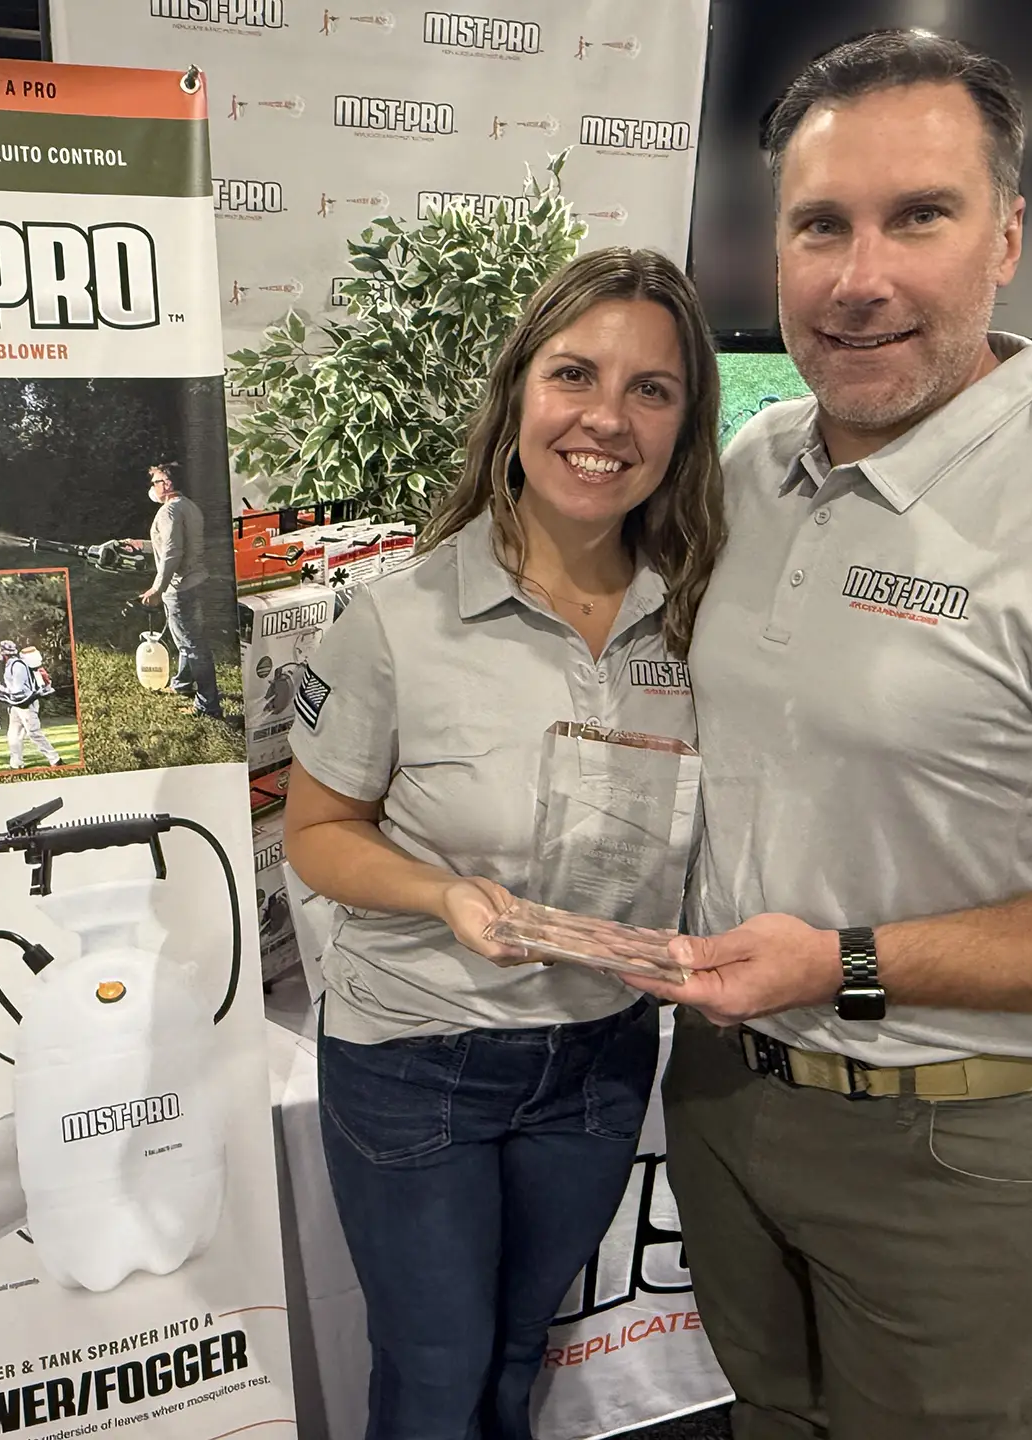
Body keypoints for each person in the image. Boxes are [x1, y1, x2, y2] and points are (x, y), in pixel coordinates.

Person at [617, 30, 1032, 1440]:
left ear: (1007, 236)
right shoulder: (750, 470)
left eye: (918, 216)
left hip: (954, 1136)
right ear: (775, 255)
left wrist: (852, 962)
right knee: (772, 1418)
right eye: (821, 226)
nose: (861, 278)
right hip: (731, 1095)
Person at [282, 246, 725, 1440]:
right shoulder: (396, 620)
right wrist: (443, 896)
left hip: (598, 1053)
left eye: (653, 389)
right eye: (575, 374)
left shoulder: (702, 623)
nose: (606, 419)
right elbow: (318, 836)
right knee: (434, 1378)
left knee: (521, 1356)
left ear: (686, 428)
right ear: (519, 394)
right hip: (420, 1050)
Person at [139, 462, 221, 719]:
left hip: (180, 587)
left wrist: (157, 588)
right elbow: (173, 545)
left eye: (155, 482)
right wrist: (138, 544)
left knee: (193, 645)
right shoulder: (190, 507)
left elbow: (173, 552)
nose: (152, 488)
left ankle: (208, 706)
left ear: (168, 484)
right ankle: (183, 684)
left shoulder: (168, 511)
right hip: (198, 581)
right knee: (189, 640)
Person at [0, 638, 60, 769]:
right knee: (13, 735)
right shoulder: (10, 665)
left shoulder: (17, 666)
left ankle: (55, 760)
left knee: (33, 733)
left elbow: (18, 690)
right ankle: (16, 764)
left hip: (26, 704)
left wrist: (3, 690)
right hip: (16, 705)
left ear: (4, 652)